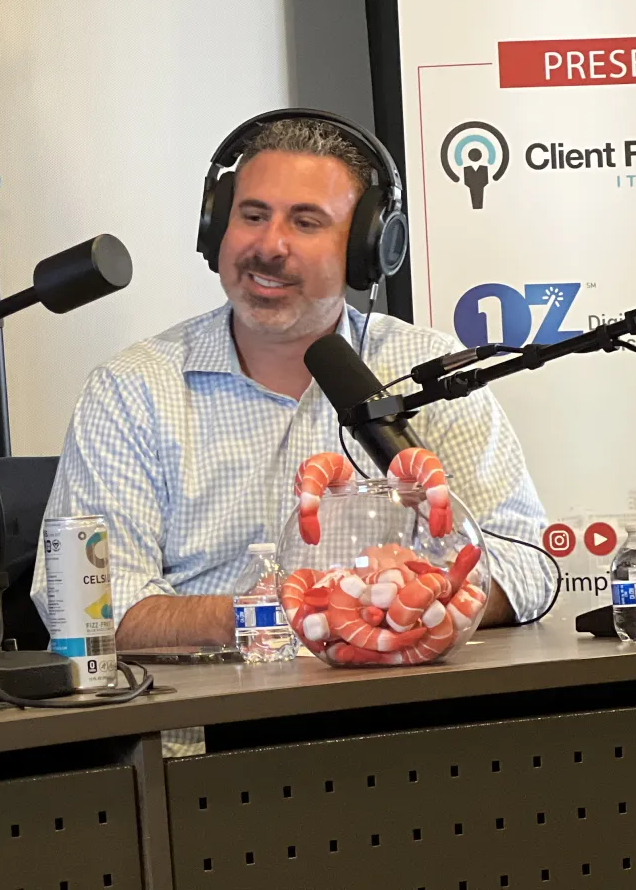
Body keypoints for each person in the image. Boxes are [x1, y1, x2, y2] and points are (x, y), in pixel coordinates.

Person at [32, 110, 554, 655]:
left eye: (306, 223)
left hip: (403, 710)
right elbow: (86, 608)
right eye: (253, 216)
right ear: (216, 229)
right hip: (208, 723)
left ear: (366, 251)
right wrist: (306, 610)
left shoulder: (427, 368)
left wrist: (410, 601)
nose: (270, 245)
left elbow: (526, 565)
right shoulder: (132, 389)